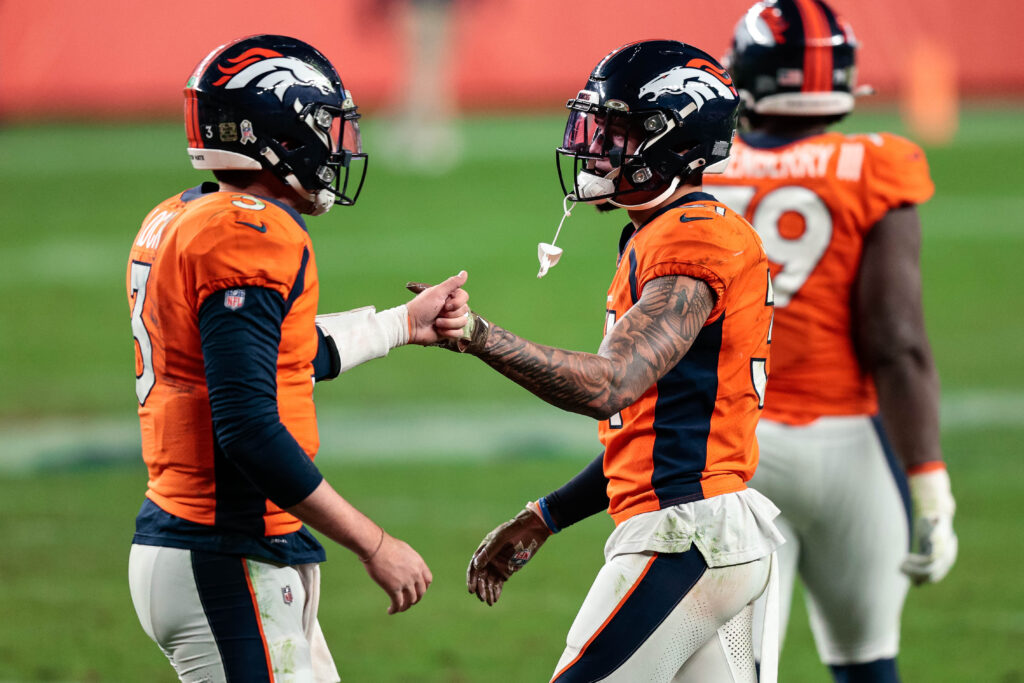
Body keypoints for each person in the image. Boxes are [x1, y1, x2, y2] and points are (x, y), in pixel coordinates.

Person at [125, 34, 471, 682]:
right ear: (276, 134)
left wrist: (401, 324)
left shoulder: (181, 216)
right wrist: (374, 542)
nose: (333, 147)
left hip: (208, 544)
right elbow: (249, 426)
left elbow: (281, 353)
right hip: (224, 551)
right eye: (320, 127)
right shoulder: (245, 233)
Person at [449, 40, 783, 682]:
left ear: (678, 141)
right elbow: (658, 434)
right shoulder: (663, 231)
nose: (598, 145)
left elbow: (612, 386)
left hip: (686, 536)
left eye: (621, 131)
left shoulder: (693, 238)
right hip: (707, 531)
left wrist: (477, 333)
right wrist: (549, 514)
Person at [702, 1, 959, 680]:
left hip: (735, 448)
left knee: (736, 668)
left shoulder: (703, 169)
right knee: (867, 662)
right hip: (853, 450)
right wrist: (930, 484)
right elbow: (897, 340)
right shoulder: (878, 162)